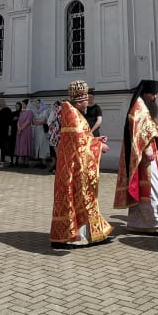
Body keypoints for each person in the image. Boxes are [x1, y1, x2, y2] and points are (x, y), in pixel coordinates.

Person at [50, 81, 114, 249]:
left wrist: (95, 140)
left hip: (74, 165)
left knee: (85, 200)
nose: (89, 103)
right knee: (80, 200)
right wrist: (100, 147)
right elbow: (79, 145)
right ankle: (73, 237)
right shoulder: (73, 115)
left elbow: (82, 140)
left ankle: (91, 235)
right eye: (87, 100)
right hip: (74, 168)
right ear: (81, 101)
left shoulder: (72, 113)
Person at [114, 79, 158, 237]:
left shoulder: (142, 105)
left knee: (146, 187)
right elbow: (139, 131)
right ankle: (155, 223)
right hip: (143, 155)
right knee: (151, 187)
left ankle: (137, 223)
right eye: (152, 94)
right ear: (146, 94)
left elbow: (148, 131)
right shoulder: (139, 106)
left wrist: (153, 147)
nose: (154, 97)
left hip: (144, 153)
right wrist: (147, 148)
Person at [14, 99, 35, 166]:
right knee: (21, 145)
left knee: (26, 145)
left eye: (24, 104)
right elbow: (18, 121)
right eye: (22, 104)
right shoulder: (22, 112)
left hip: (26, 131)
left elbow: (28, 122)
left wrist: (21, 128)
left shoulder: (30, 112)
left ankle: (26, 162)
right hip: (20, 131)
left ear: (27, 104)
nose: (22, 106)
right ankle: (22, 161)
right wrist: (18, 128)